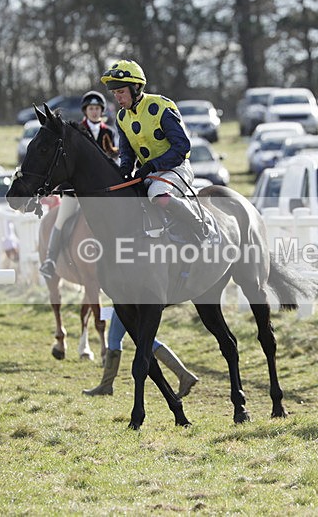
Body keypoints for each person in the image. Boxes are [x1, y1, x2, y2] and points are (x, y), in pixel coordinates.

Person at [100, 59, 208, 242]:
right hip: (149, 173)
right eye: (114, 93)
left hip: (177, 169)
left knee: (156, 194)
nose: (117, 98)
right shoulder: (121, 117)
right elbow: (127, 152)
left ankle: (200, 227)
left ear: (136, 88)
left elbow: (182, 147)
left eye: (121, 92)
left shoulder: (161, 107)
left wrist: (151, 166)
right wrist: (125, 169)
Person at [39, 90, 119, 279]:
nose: (94, 112)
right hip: (76, 189)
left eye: (97, 108)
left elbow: (113, 160)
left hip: (101, 191)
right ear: (85, 111)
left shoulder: (110, 132)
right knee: (62, 217)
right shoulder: (76, 131)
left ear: (102, 111)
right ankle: (50, 259)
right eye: (91, 108)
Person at [82, 307, 198, 398]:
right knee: (146, 339)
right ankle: (184, 375)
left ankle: (106, 385)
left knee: (115, 339)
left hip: (126, 300)